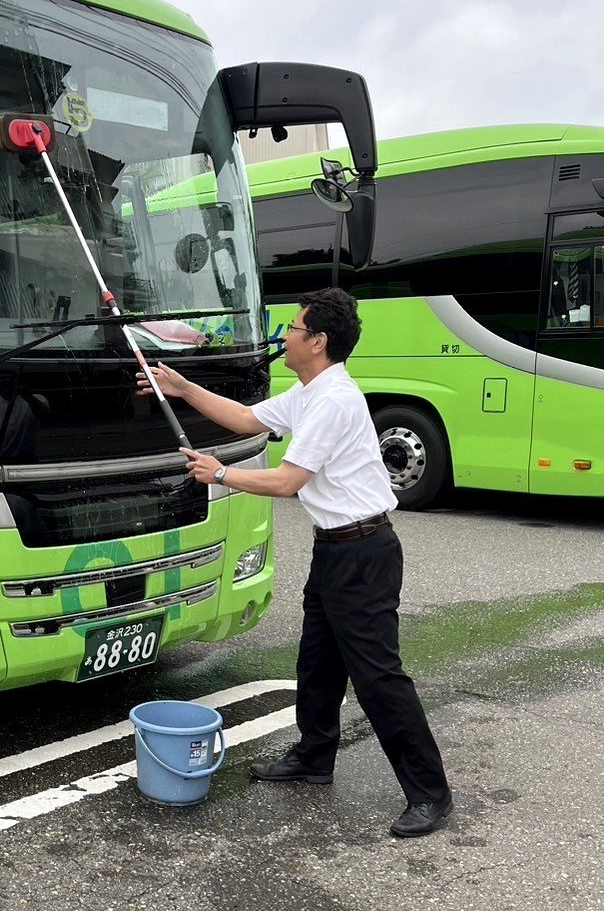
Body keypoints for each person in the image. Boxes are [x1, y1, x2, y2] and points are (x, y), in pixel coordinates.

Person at [137, 287, 452, 837]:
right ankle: (313, 756)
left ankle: (429, 792)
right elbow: (244, 418)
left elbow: (286, 482)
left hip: (365, 551)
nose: (284, 336)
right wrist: (183, 387)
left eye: (294, 328)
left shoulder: (334, 400)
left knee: (378, 677)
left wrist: (222, 475)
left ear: (319, 341)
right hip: (335, 546)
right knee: (318, 662)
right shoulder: (310, 392)